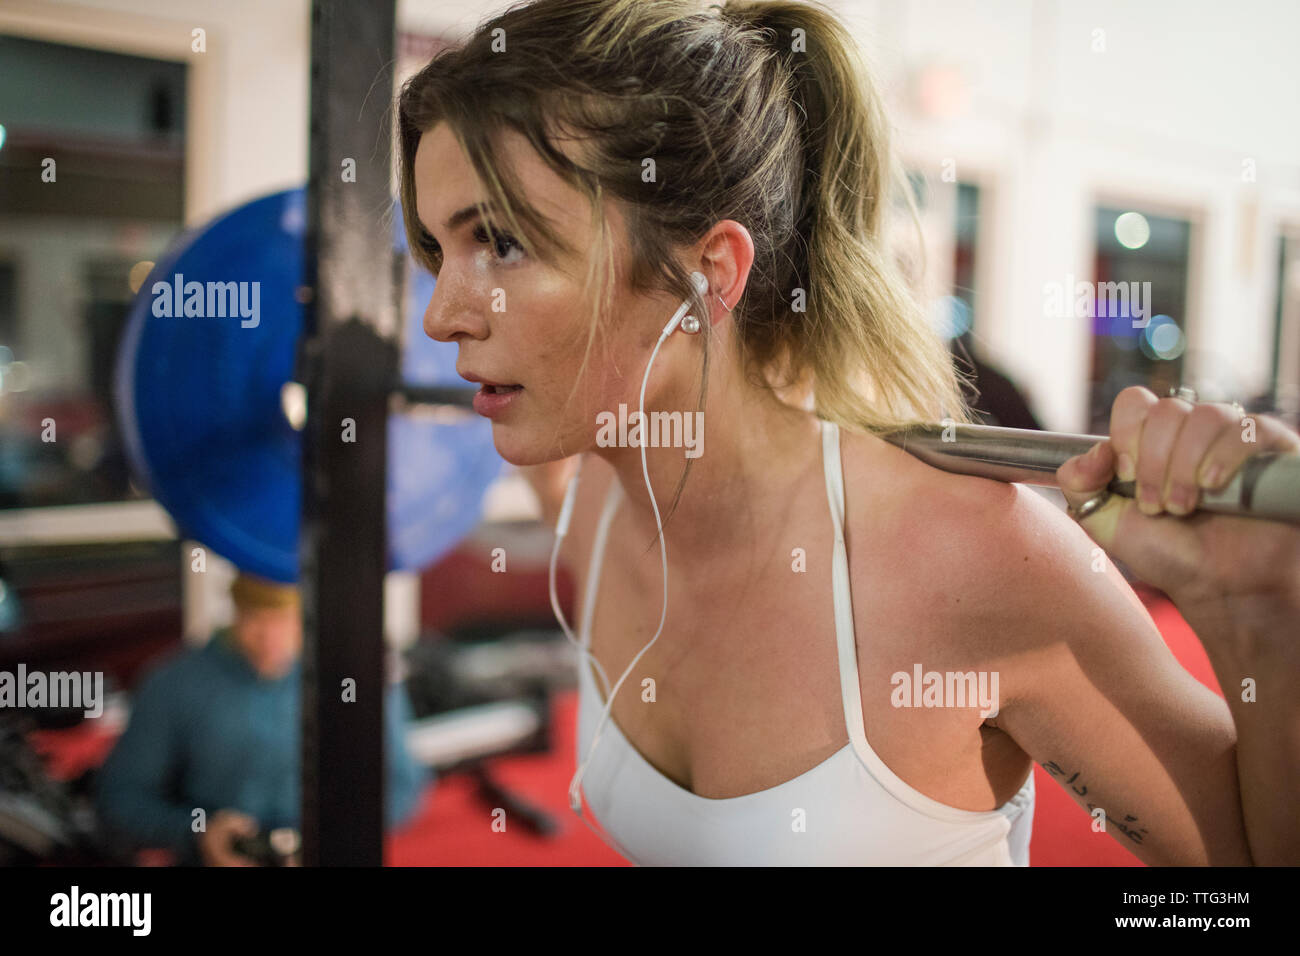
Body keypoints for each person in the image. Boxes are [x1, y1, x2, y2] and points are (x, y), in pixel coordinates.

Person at [398, 0, 1299, 864]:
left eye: (503, 245)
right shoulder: (594, 502)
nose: (441, 318)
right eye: (440, 251)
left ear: (708, 274)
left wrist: (1259, 610)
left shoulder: (971, 554)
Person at [95, 572, 429, 866]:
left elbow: (403, 785)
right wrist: (198, 832)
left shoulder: (357, 677)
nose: (271, 638)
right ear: (233, 610)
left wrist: (330, 837)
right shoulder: (173, 684)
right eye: (256, 619)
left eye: (286, 620)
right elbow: (121, 797)